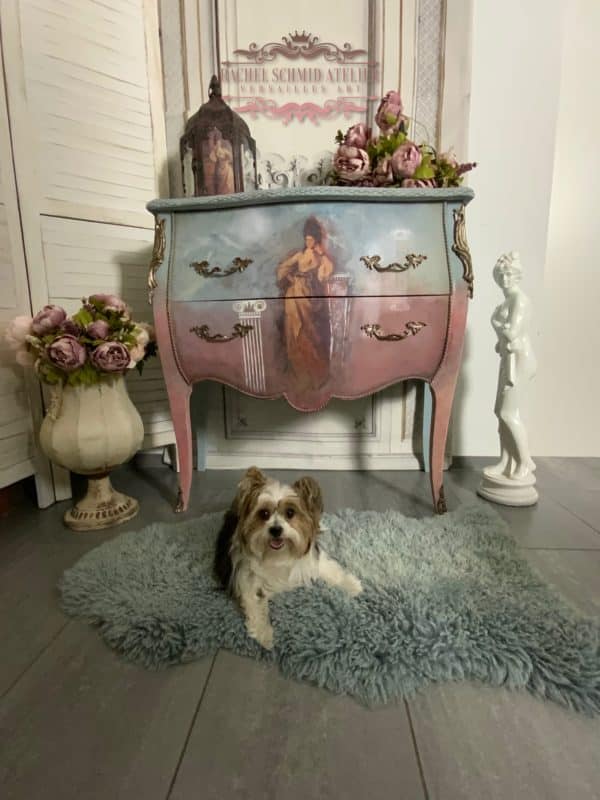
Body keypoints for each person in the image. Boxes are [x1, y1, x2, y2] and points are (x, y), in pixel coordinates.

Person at [486, 251, 537, 480]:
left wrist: (496, 323)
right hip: (508, 360)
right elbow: (503, 341)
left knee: (509, 412)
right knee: (500, 412)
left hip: (521, 361)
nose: (505, 279)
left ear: (517, 276)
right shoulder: (507, 301)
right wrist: (501, 336)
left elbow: (512, 332)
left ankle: (525, 461)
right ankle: (506, 461)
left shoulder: (520, 300)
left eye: (509, 274)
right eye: (501, 275)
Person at [276, 217, 334, 391]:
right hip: (295, 294)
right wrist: (290, 278)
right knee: (295, 332)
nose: (308, 241)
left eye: (311, 239)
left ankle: (315, 375)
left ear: (315, 239)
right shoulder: (299, 255)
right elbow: (282, 269)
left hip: (310, 296)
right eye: (306, 239)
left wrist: (322, 255)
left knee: (311, 333)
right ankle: (299, 374)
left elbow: (324, 275)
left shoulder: (319, 257)